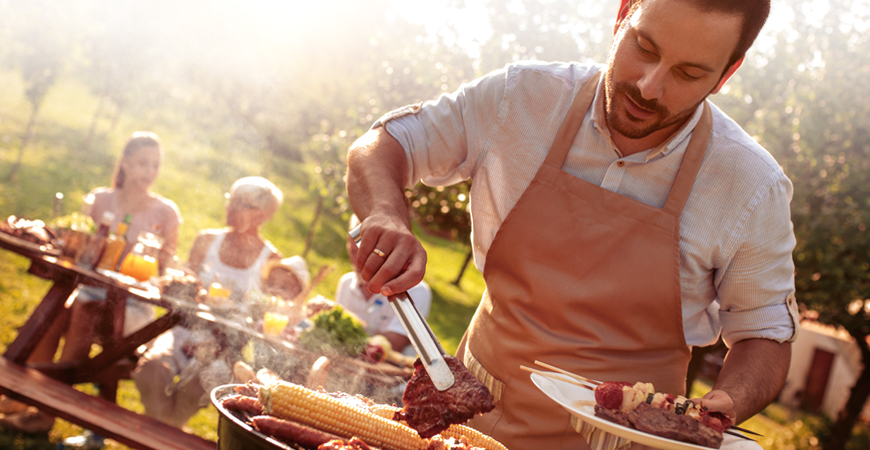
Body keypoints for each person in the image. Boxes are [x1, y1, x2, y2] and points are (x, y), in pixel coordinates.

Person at [344, 1, 799, 449]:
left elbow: (765, 334)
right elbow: (386, 143)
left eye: (689, 73)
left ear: (726, 74)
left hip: (627, 442)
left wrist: (733, 398)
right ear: (622, 15)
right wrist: (385, 214)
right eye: (644, 47)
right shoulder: (521, 97)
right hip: (468, 423)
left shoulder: (752, 186)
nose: (649, 86)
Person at [0, 131, 182, 440]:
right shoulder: (100, 200)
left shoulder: (165, 212)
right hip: (88, 289)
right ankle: (23, 395)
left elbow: (168, 271)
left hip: (133, 305)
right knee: (56, 312)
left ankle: (45, 412)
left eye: (155, 165)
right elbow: (77, 243)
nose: (150, 172)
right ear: (125, 163)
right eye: (143, 163)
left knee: (83, 310)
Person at [131, 176, 283, 428]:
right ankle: (166, 434)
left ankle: (161, 431)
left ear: (260, 216)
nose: (230, 207)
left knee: (202, 383)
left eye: (240, 204)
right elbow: (183, 284)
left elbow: (263, 315)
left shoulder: (271, 260)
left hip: (226, 345)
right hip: (183, 328)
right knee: (153, 368)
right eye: (231, 200)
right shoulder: (206, 240)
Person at [336, 215, 431, 356]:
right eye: (353, 252)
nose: (358, 262)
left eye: (366, 254)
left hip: (393, 370)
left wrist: (344, 318)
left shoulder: (416, 291)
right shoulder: (346, 283)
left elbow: (392, 345)